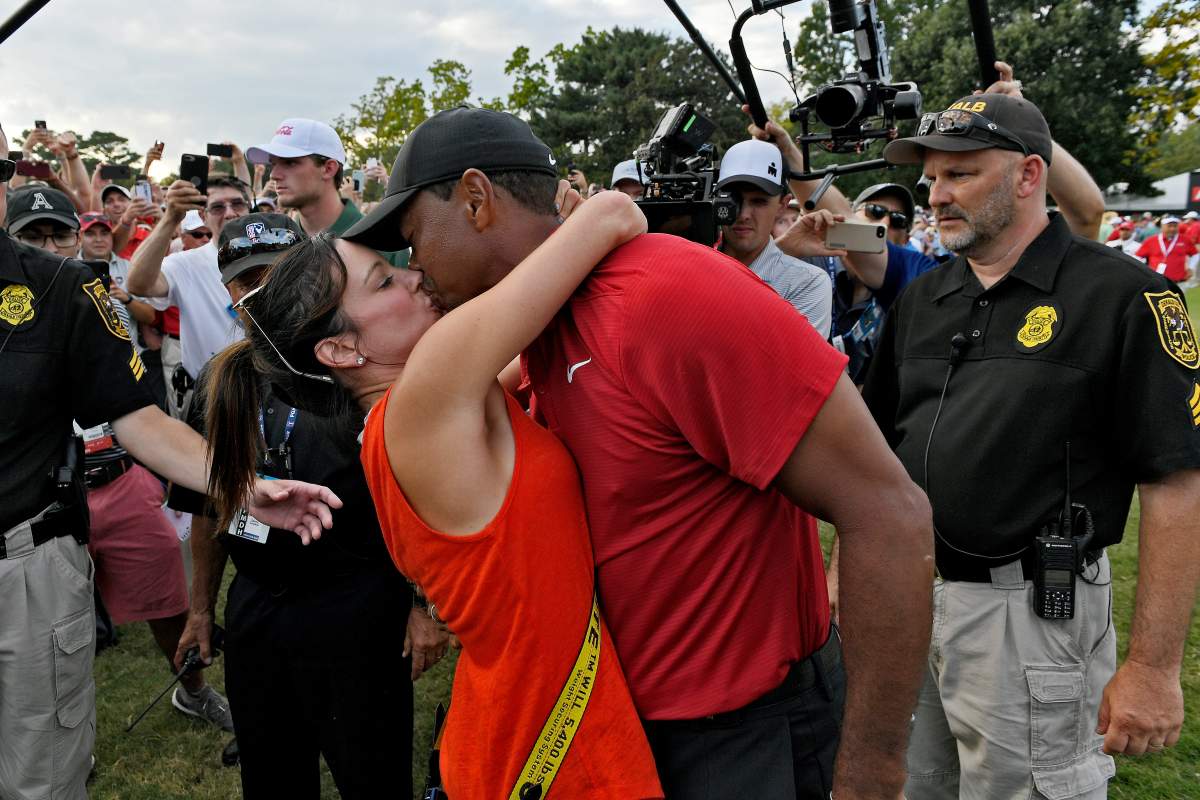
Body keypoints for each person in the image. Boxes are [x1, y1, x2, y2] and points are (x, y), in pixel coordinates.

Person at [343, 106, 933, 800]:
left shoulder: (663, 294)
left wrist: (871, 772)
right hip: (622, 738)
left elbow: (887, 512)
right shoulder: (529, 328)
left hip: (743, 740)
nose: (416, 270)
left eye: (413, 240)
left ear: (475, 200)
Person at [204, 179, 664, 797]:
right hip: (548, 745)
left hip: (532, 719)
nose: (415, 275)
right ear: (341, 349)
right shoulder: (424, 399)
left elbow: (533, 355)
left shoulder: (414, 413)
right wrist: (561, 218)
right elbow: (613, 213)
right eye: (384, 282)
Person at [864, 90, 1200, 799]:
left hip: (1030, 620)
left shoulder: (1123, 296)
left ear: (1027, 176)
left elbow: (1176, 484)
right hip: (907, 602)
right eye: (931, 176)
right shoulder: (923, 301)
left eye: (961, 173)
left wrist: (1154, 667)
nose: (936, 193)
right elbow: (876, 453)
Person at [0, 126, 339, 800]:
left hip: (23, 569)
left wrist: (240, 483)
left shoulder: (63, 290)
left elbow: (137, 417)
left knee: (36, 776)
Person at [172, 213, 436, 799]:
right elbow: (207, 507)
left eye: (280, 275)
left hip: (358, 602)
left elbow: (418, 499)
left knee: (372, 771)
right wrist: (199, 611)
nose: (264, 291)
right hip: (260, 604)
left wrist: (424, 606)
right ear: (230, 294)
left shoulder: (357, 369)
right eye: (249, 281)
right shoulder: (223, 382)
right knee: (271, 774)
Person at [126, 174, 250, 420]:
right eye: (217, 207)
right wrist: (171, 217)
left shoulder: (277, 255)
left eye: (237, 204)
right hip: (211, 396)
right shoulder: (185, 264)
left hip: (267, 393)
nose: (229, 213)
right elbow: (137, 284)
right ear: (202, 217)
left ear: (249, 208)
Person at [715, 138, 837, 337]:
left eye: (759, 201)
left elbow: (796, 366)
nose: (744, 214)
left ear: (783, 204)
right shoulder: (688, 261)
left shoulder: (806, 282)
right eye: (733, 199)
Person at [245, 118, 406, 266]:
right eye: (273, 164)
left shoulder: (384, 245)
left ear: (328, 169)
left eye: (289, 162)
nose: (274, 175)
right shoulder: (275, 247)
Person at [1135, 215, 1196, 284]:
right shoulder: (1151, 240)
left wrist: (1191, 268)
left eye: (1175, 226)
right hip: (1156, 281)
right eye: (1169, 226)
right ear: (1162, 226)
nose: (1172, 229)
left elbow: (1195, 254)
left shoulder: (1185, 240)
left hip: (1178, 281)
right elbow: (1138, 256)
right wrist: (1143, 271)